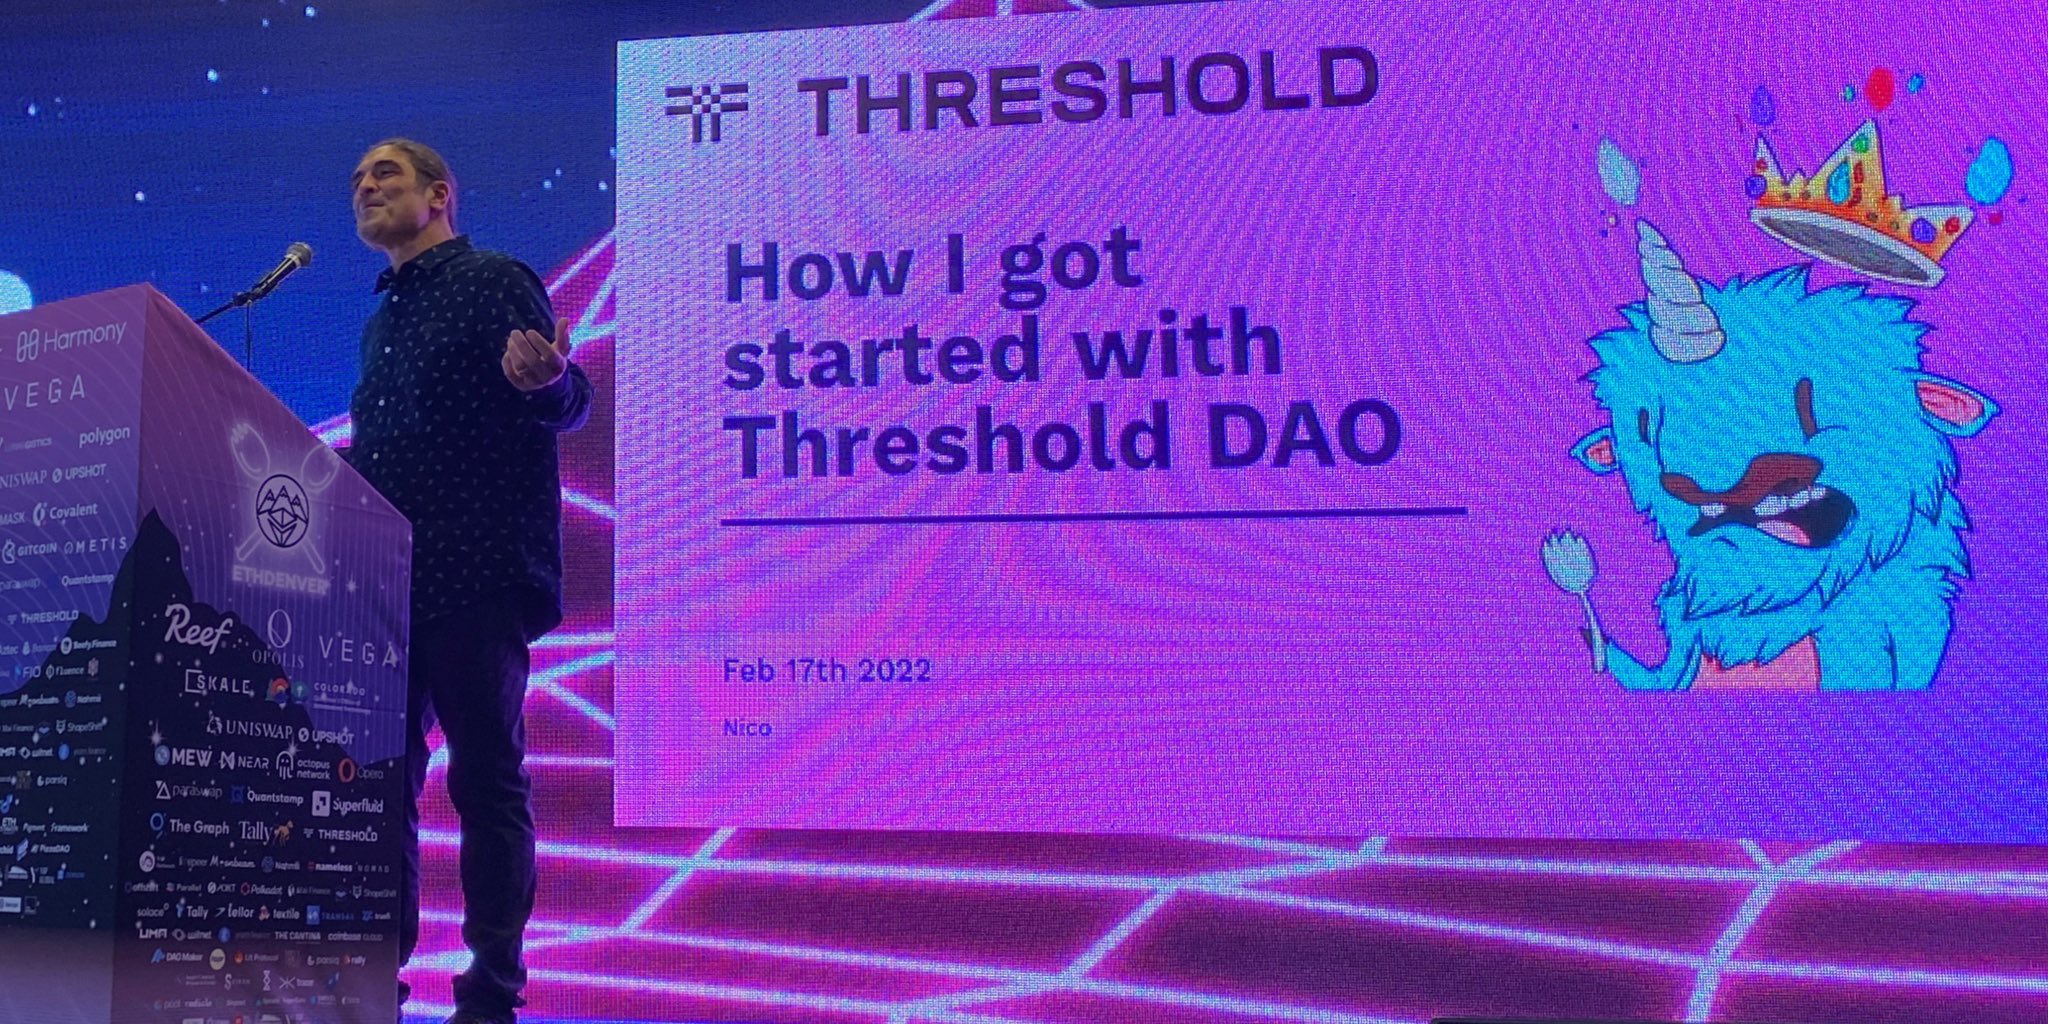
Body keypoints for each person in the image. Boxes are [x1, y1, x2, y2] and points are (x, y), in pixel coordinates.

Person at [345, 137, 592, 1024]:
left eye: (386, 173)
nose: (366, 186)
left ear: (440, 194)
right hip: (384, 585)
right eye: (358, 180)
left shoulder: (492, 280)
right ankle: (375, 986)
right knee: (379, 791)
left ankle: (492, 995)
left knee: (486, 781)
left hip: (475, 571)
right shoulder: (381, 321)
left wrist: (551, 383)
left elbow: (566, 396)